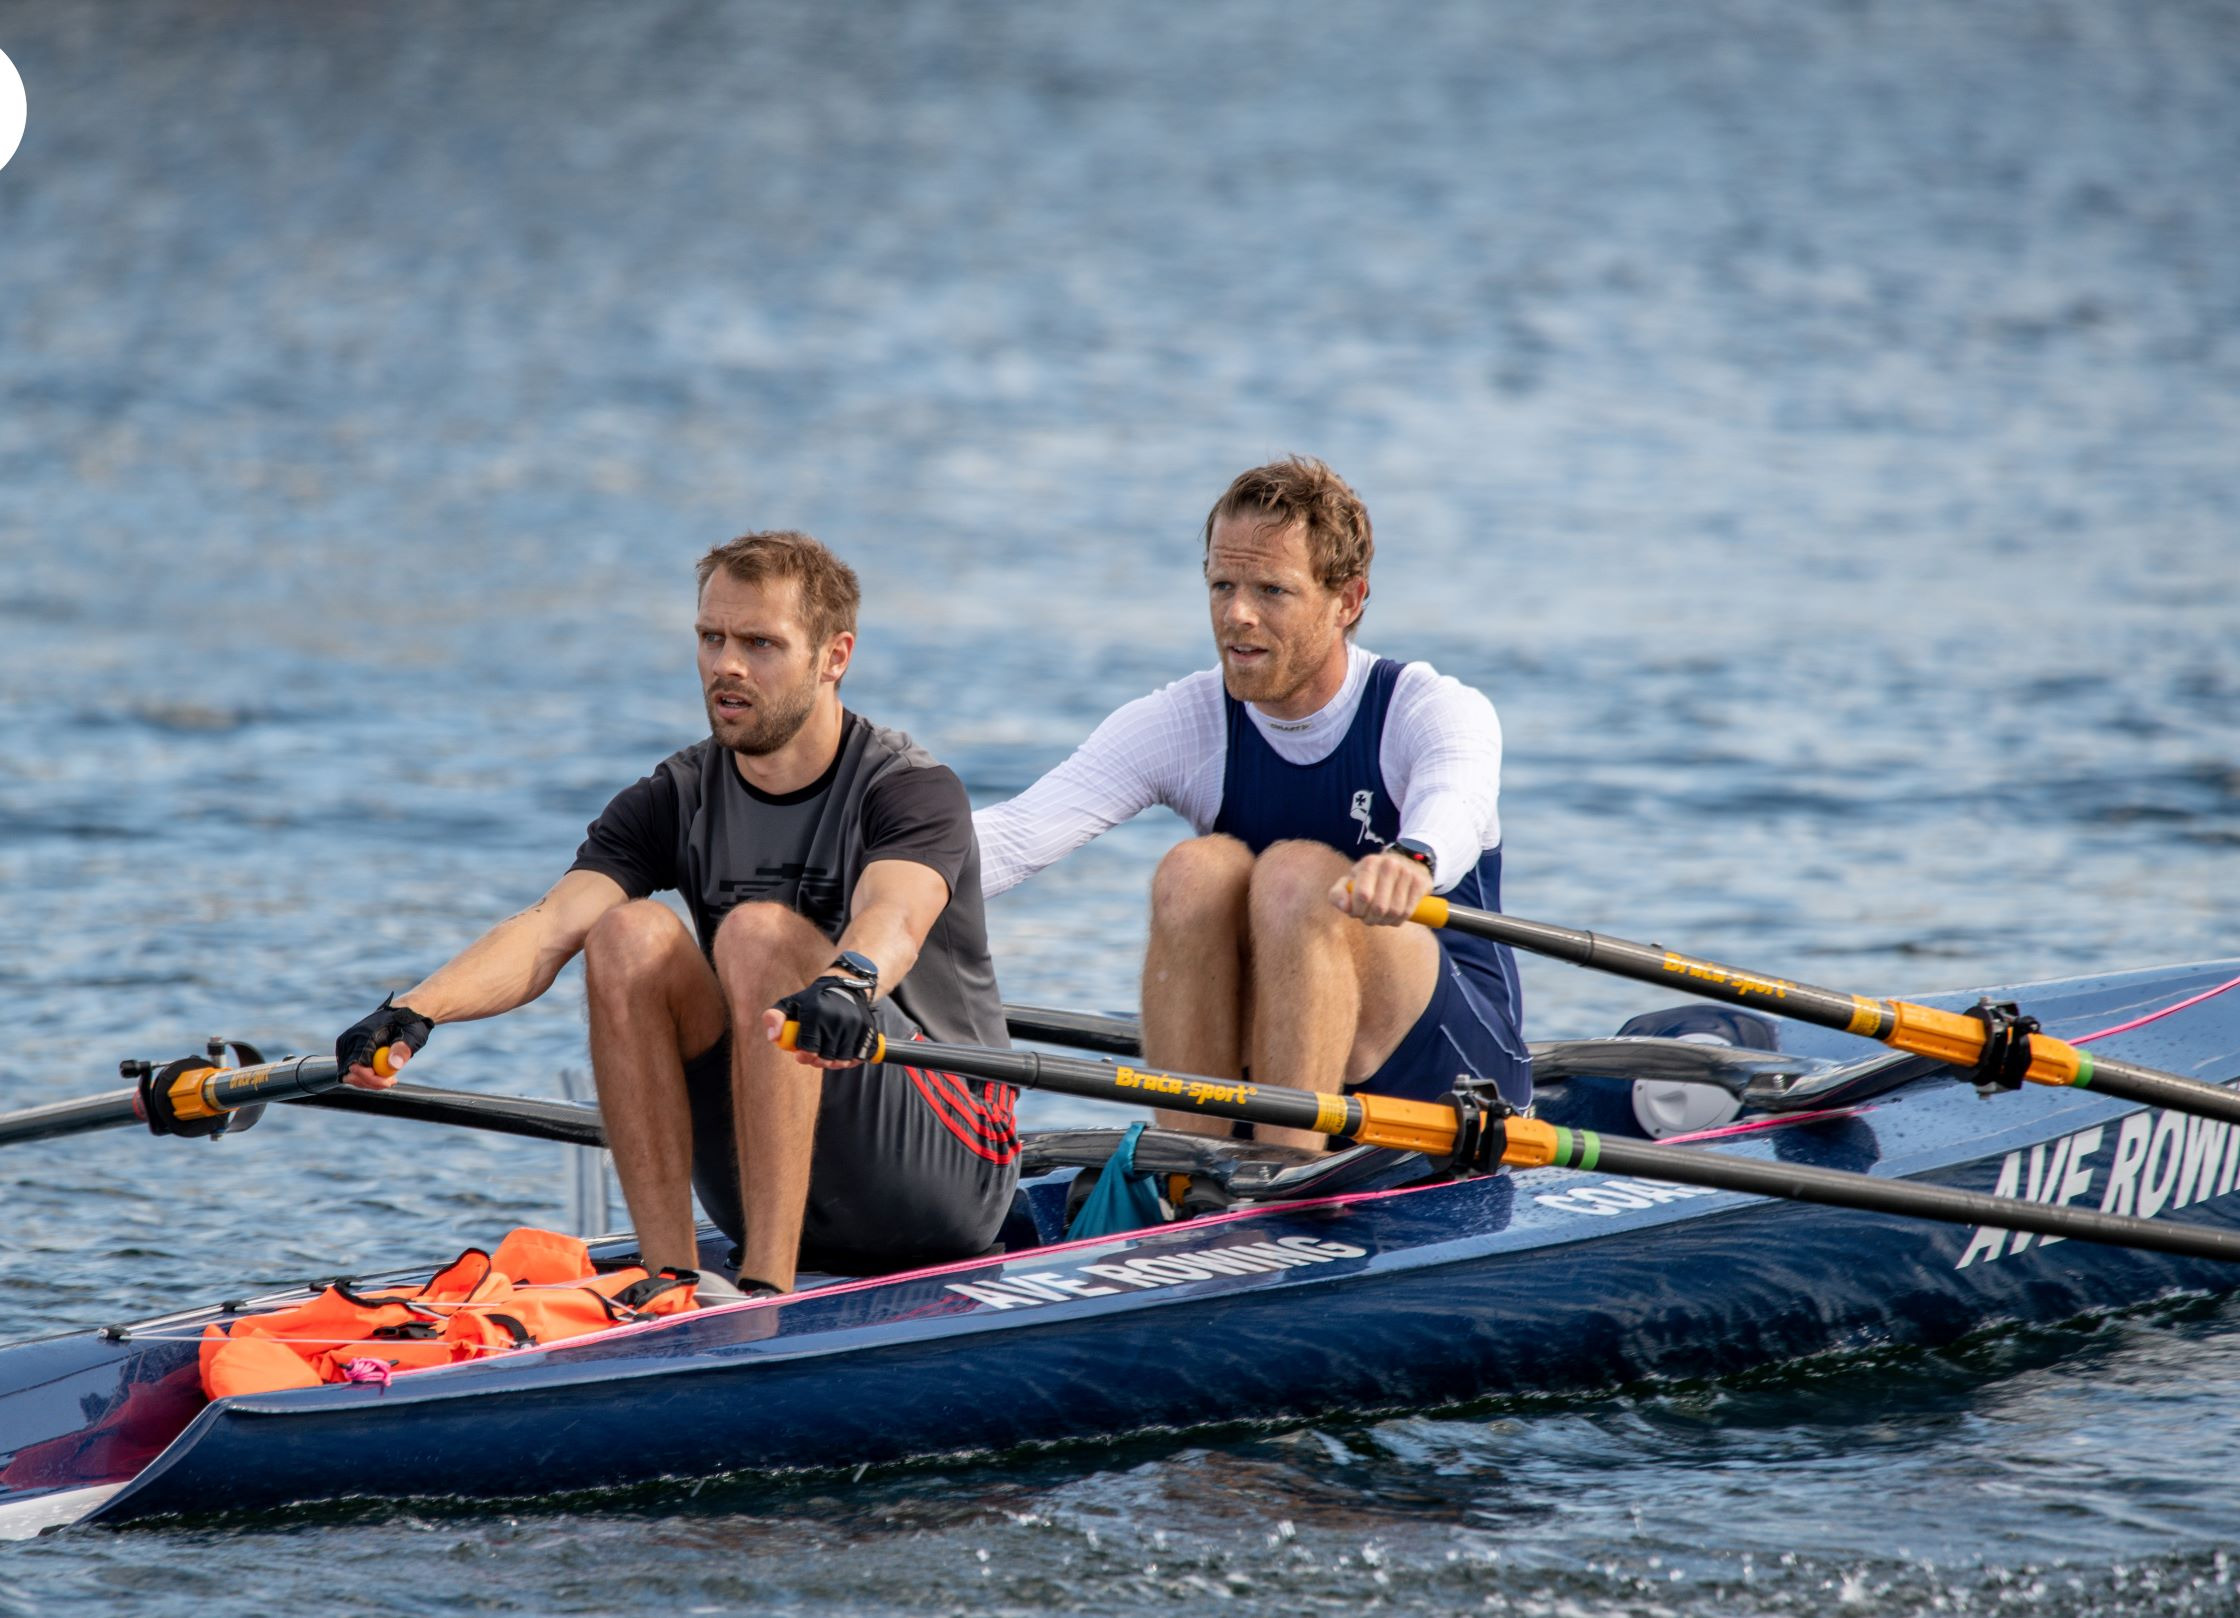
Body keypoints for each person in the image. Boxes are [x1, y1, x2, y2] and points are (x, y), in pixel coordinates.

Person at [334, 532, 1018, 1295]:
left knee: (758, 931)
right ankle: (671, 1280)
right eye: (711, 638)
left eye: (760, 643)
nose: (727, 663)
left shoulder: (909, 789)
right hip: (755, 1161)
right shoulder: (675, 796)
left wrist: (849, 981)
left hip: (940, 1168)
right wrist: (415, 1009)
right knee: (625, 933)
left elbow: (897, 911)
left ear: (835, 657)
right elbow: (548, 925)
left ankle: (765, 1296)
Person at [974, 457, 1527, 1151]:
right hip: (1280, 1051)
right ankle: (1192, 1167)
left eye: (1272, 589)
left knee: (1296, 877)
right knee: (1192, 873)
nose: (1238, 614)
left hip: (1454, 1075)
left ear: (1348, 601)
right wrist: (858, 891)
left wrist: (1414, 858)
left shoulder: (1427, 707)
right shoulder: (1187, 720)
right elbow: (1017, 834)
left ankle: (1279, 1174)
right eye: (1222, 585)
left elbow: (1458, 795)